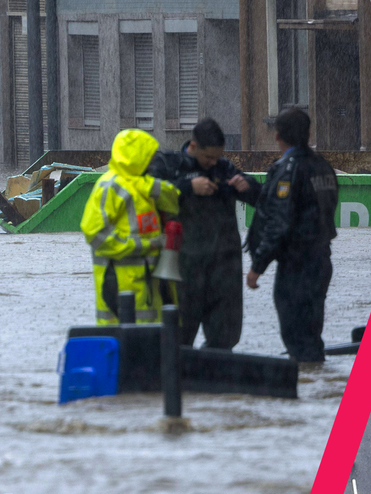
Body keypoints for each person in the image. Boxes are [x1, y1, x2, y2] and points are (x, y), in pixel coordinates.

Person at [145, 119, 261, 349]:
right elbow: (147, 193)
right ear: (194, 146)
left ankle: (213, 375)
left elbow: (260, 199)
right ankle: (178, 376)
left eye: (217, 157)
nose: (212, 163)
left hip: (223, 265)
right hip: (181, 264)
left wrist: (247, 185)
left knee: (225, 333)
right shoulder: (169, 164)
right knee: (178, 332)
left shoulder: (223, 168)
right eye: (208, 157)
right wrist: (188, 187)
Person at [245, 107, 338, 367]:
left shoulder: (288, 169)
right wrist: (256, 192)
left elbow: (280, 222)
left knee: (295, 333)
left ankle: (305, 382)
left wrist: (257, 266)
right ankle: (316, 382)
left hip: (297, 264)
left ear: (278, 136)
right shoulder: (322, 166)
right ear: (308, 133)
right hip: (320, 259)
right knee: (311, 330)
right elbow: (309, 208)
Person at [82, 128, 182, 325]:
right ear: (137, 158)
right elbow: (95, 233)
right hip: (120, 290)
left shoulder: (144, 186)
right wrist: (143, 246)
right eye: (149, 157)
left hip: (149, 288)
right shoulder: (110, 187)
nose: (152, 163)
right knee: (128, 345)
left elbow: (175, 201)